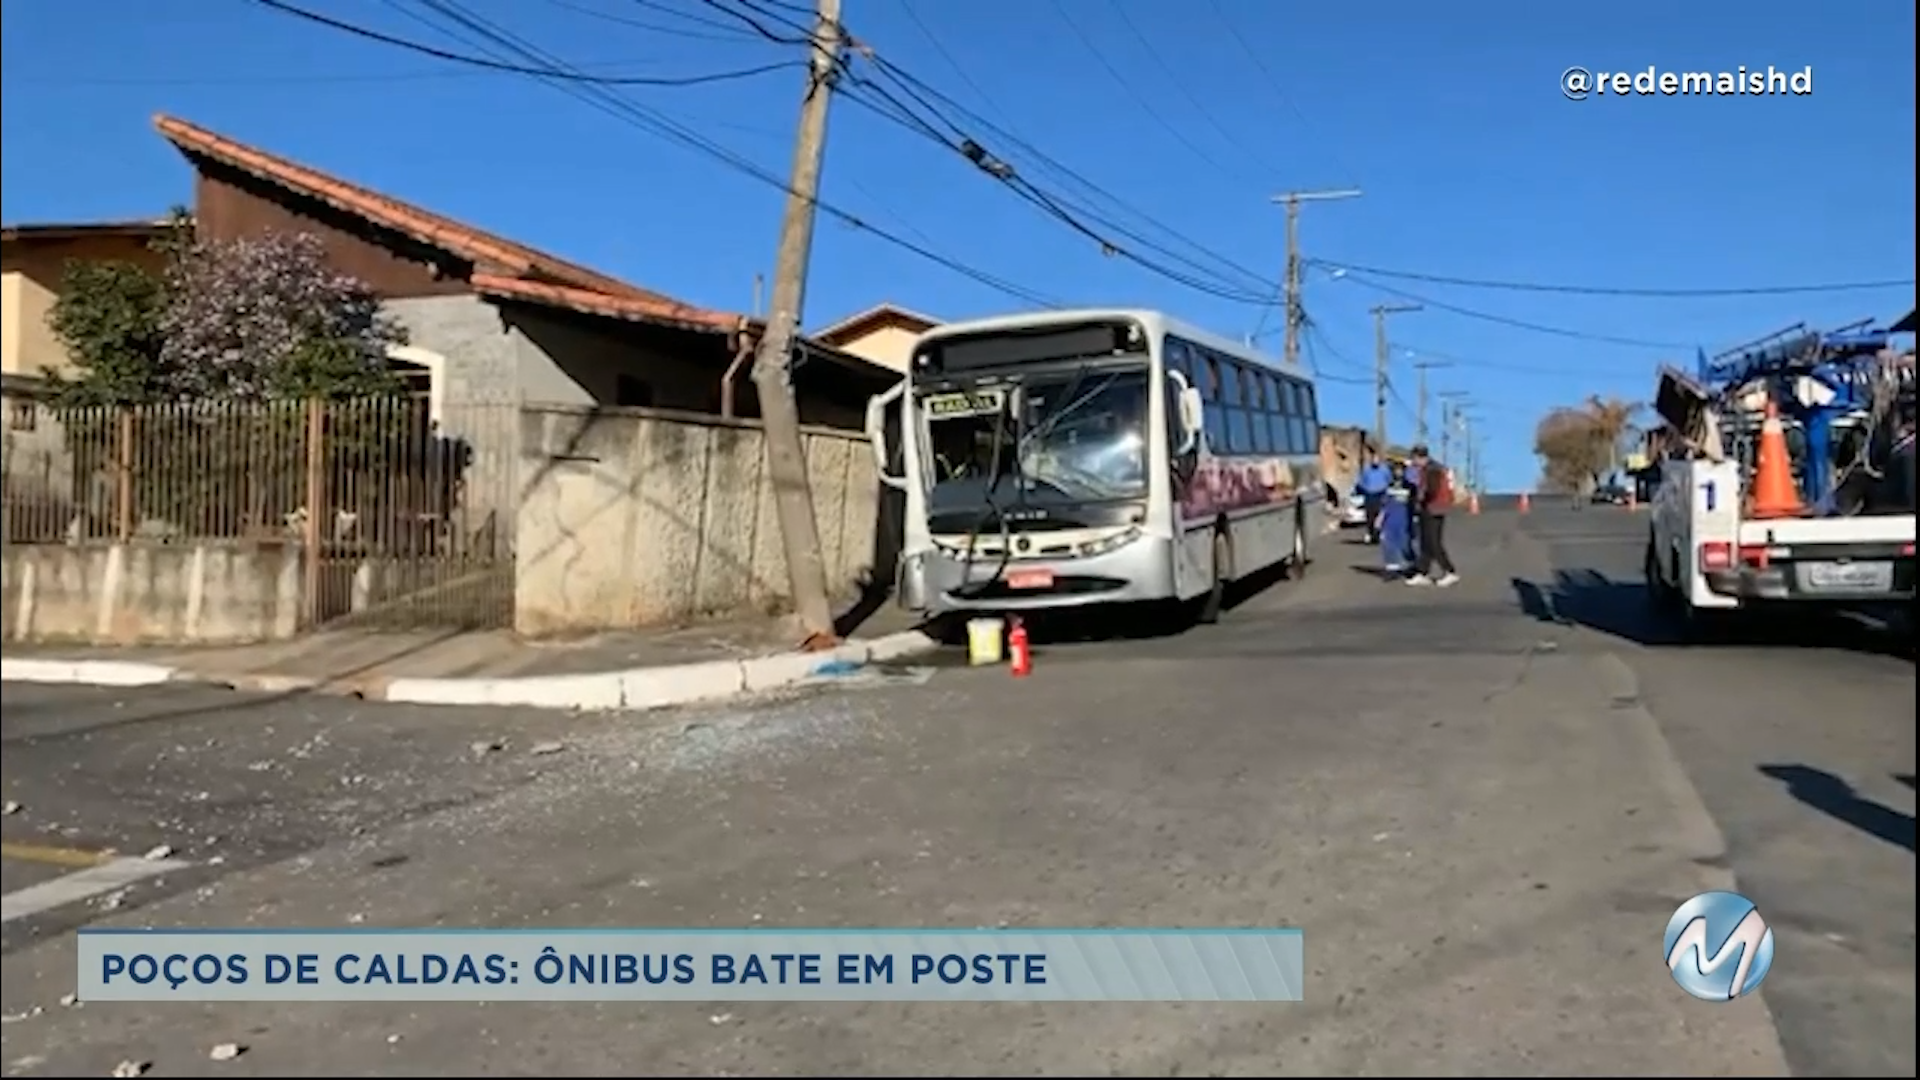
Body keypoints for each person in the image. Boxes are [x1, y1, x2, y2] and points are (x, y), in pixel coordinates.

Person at [1406, 445, 1459, 587]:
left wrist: (1421, 499)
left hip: (1434, 508)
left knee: (1433, 542)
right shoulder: (1428, 469)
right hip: (1429, 508)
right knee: (1426, 542)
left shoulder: (1433, 470)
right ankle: (1422, 572)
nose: (1413, 463)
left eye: (1414, 459)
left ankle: (1449, 571)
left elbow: (1432, 490)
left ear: (1420, 457)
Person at [1376, 460, 1416, 577]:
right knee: (1388, 542)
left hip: (1405, 519)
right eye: (1395, 470)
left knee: (1405, 544)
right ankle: (1392, 568)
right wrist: (1379, 518)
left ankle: (1412, 566)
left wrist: (1415, 519)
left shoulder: (1411, 487)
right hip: (1390, 519)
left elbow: (1415, 505)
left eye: (1400, 470)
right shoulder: (1388, 486)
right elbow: (1384, 504)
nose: (1397, 473)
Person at [1354, 452, 1392, 545]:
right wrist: (1364, 489)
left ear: (1380, 460)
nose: (1375, 461)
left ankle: (1379, 533)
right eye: (1374, 459)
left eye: (1377, 459)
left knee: (1380, 516)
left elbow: (1389, 480)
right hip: (1369, 494)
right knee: (1370, 515)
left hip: (1381, 494)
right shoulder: (1366, 470)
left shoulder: (1384, 470)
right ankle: (1370, 533)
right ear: (1371, 460)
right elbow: (1360, 481)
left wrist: (1385, 488)